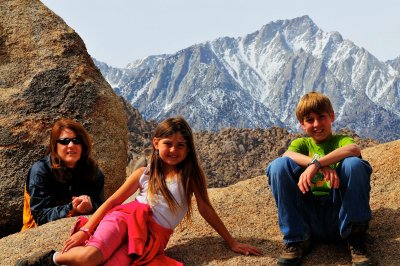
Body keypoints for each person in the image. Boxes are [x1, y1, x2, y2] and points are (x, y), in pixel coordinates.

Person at [40, 116, 261, 265]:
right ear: (156, 143)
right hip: (125, 218)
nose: (173, 150)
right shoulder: (144, 173)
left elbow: (205, 208)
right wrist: (85, 231)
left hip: (151, 238)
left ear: (188, 148)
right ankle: (53, 259)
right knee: (92, 256)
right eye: (168, 144)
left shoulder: (190, 177)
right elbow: (112, 202)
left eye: (180, 145)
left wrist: (232, 242)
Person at [266, 92, 374, 266]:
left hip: (339, 216)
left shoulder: (341, 141)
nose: (316, 124)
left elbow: (353, 149)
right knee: (278, 166)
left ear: (331, 116)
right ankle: (295, 239)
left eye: (321, 117)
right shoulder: (303, 144)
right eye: (309, 120)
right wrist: (320, 164)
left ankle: (356, 239)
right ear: (302, 124)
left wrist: (316, 165)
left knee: (354, 165)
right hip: (308, 220)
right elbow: (287, 154)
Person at [21, 118, 105, 231]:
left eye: (76, 140)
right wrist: (71, 208)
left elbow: (101, 205)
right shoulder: (41, 171)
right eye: (64, 141)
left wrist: (90, 205)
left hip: (83, 228)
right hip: (38, 232)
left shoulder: (93, 171)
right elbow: (40, 216)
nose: (71, 145)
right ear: (55, 145)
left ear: (83, 145)